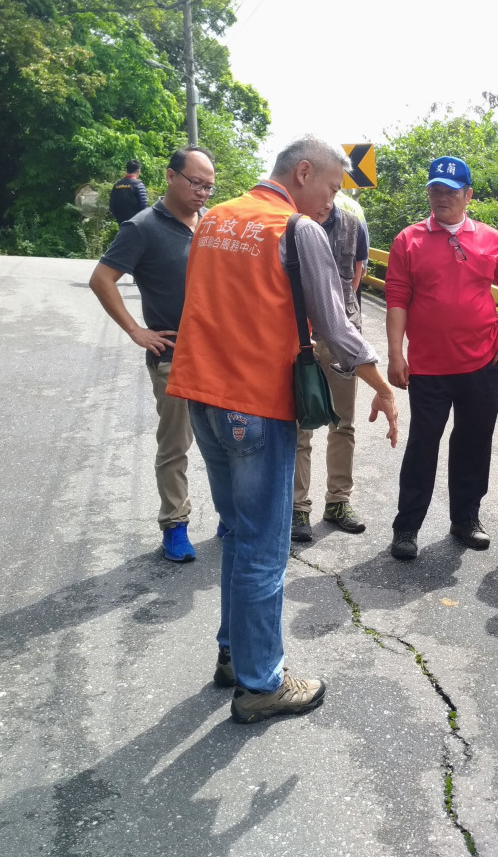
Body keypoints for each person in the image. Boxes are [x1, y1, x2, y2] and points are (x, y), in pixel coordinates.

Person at [166, 136, 399, 724]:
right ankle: (260, 682)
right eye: (330, 188)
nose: (332, 203)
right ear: (302, 174)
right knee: (264, 547)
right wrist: (382, 384)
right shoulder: (297, 231)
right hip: (255, 407)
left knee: (239, 535)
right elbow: (337, 327)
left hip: (202, 396)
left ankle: (233, 655)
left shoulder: (214, 219)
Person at [385, 155, 498, 560]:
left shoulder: (490, 239)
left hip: (481, 363)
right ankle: (407, 526)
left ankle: (466, 518)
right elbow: (397, 299)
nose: (441, 197)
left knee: (474, 441)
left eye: (450, 191)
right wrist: (396, 353)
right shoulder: (408, 240)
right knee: (423, 444)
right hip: (428, 367)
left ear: (468, 195)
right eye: (435, 190)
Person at [90, 147, 216, 562]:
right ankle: (175, 526)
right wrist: (135, 330)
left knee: (225, 442)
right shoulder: (142, 227)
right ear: (170, 176)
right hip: (173, 355)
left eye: (208, 186)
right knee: (175, 445)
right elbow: (102, 278)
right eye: (195, 182)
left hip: (218, 355)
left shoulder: (212, 224)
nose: (202, 192)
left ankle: (229, 519)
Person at [290, 193, 371, 541]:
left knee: (344, 423)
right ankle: (297, 507)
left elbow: (357, 272)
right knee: (298, 425)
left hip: (342, 338)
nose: (324, 201)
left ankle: (338, 501)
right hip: (297, 337)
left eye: (331, 191)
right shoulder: (290, 224)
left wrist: (337, 318)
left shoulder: (352, 224)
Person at [109, 159, 149, 226]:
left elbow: (112, 206)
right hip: (136, 224)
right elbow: (143, 207)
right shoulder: (139, 185)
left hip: (121, 223)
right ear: (138, 171)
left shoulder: (117, 185)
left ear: (126, 170)